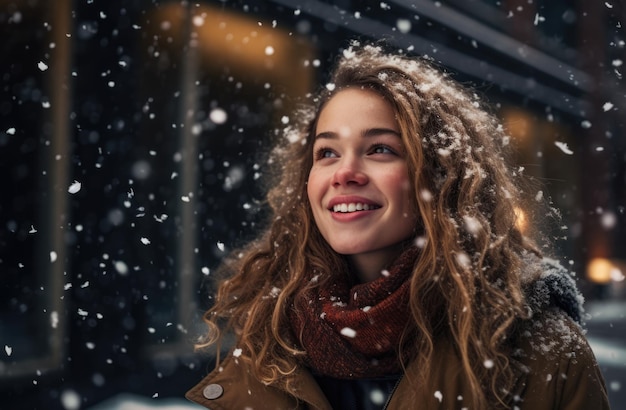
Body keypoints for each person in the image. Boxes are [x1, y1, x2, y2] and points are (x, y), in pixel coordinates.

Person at [186, 42, 610, 409]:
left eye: (380, 149)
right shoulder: (268, 343)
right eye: (327, 153)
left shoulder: (540, 351)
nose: (344, 172)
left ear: (442, 175)